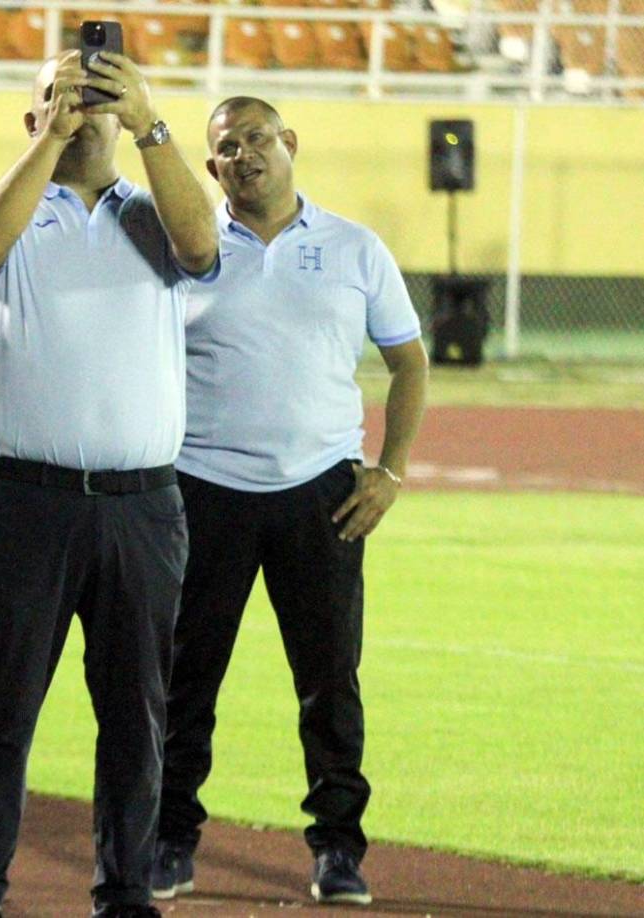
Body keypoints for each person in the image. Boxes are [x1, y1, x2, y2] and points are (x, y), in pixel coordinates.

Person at [0, 50, 219, 918]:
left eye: (100, 93)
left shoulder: (156, 207)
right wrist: (53, 136)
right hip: (30, 503)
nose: (83, 106)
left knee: (136, 718)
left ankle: (126, 892)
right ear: (32, 117)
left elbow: (204, 245)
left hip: (144, 505)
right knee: (6, 710)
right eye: (61, 95)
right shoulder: (6, 207)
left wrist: (151, 126)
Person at [151, 96, 428, 907]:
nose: (245, 155)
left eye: (258, 139)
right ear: (210, 168)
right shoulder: (187, 246)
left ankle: (337, 849)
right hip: (203, 490)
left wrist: (391, 469)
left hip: (322, 493)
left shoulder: (354, 247)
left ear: (290, 143)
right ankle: (170, 840)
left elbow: (408, 362)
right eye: (227, 147)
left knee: (329, 682)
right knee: (185, 680)